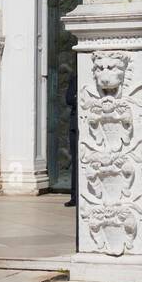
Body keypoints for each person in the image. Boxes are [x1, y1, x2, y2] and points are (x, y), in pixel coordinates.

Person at [65, 68, 78, 208]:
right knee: (75, 161)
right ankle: (74, 197)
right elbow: (69, 99)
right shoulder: (75, 79)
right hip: (75, 126)